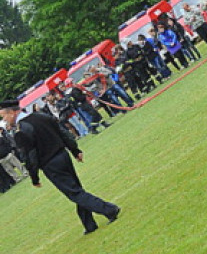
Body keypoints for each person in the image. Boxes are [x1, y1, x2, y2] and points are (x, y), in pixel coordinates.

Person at [0, 98, 120, 234]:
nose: (4, 120)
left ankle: (109, 209)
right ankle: (89, 224)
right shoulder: (42, 117)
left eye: (3, 116)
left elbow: (30, 156)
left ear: (12, 113)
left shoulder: (22, 130)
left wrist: (34, 177)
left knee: (75, 193)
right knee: (77, 190)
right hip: (63, 156)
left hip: (51, 164)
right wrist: (75, 150)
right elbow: (63, 133)